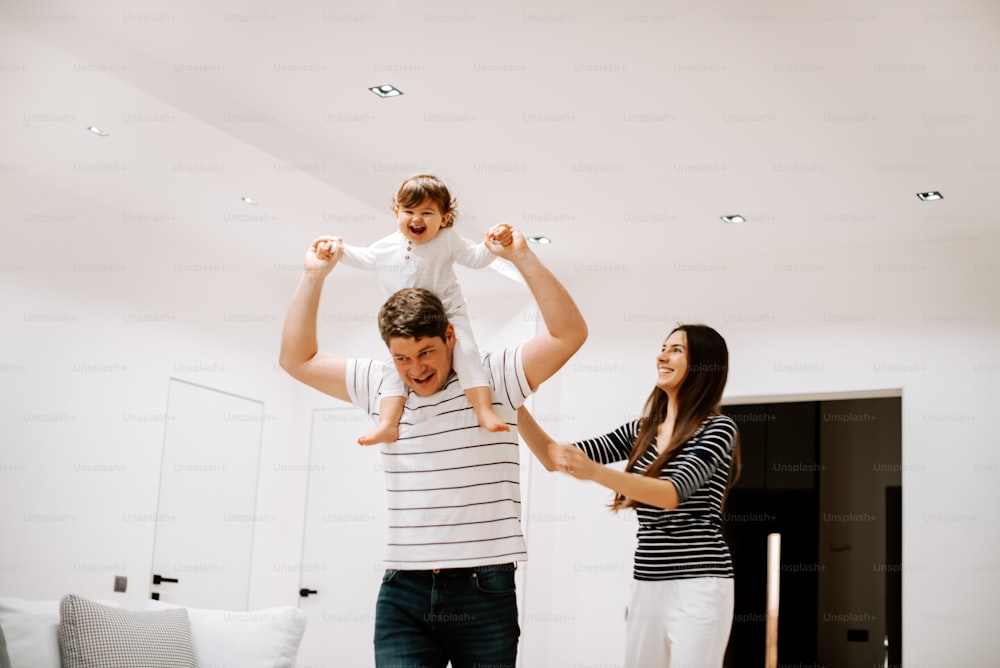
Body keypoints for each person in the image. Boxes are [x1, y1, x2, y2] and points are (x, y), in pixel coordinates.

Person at [278, 223, 587, 668]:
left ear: (450, 337)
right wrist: (312, 276)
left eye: (426, 352)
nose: (415, 369)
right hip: (403, 587)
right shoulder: (383, 386)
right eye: (402, 357)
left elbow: (569, 334)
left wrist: (521, 257)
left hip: (484, 585)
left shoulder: (494, 377)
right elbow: (297, 358)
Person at [517, 324, 740, 668]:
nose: (661, 356)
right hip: (648, 579)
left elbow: (671, 494)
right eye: (663, 347)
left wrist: (594, 472)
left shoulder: (717, 429)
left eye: (676, 350)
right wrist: (512, 404)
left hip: (700, 582)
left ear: (704, 365)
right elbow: (553, 458)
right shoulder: (643, 429)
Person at [331, 173, 512, 445]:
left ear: (445, 218)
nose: (417, 218)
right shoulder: (385, 246)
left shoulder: (448, 239)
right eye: (409, 211)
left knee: (467, 352)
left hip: (448, 312)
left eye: (427, 212)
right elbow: (363, 258)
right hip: (404, 321)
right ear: (396, 212)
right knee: (393, 369)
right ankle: (387, 423)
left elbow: (475, 258)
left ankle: (484, 410)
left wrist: (493, 244)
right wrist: (336, 250)